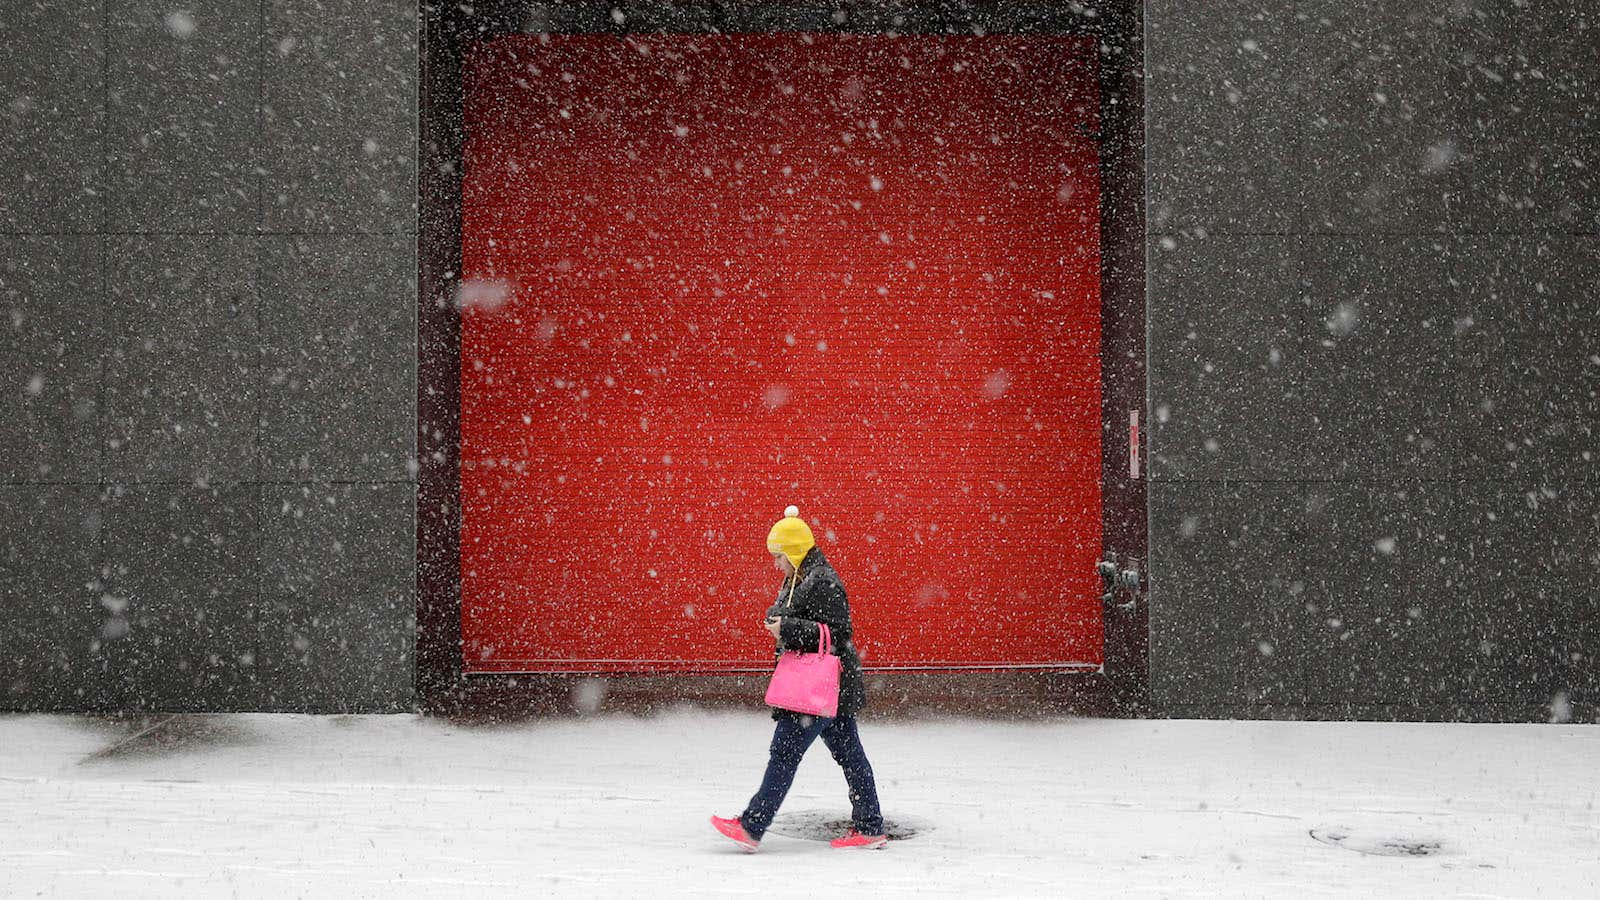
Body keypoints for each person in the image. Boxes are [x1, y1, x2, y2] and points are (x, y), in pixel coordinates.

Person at [710, 505, 887, 852]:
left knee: (784, 753)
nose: (775, 563)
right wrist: (779, 621)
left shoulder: (821, 581)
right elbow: (787, 612)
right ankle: (870, 827)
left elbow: (838, 634)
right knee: (850, 755)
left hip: (816, 688)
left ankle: (752, 827)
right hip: (829, 690)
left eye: (778, 556)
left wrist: (787, 628)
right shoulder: (801, 578)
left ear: (793, 551)